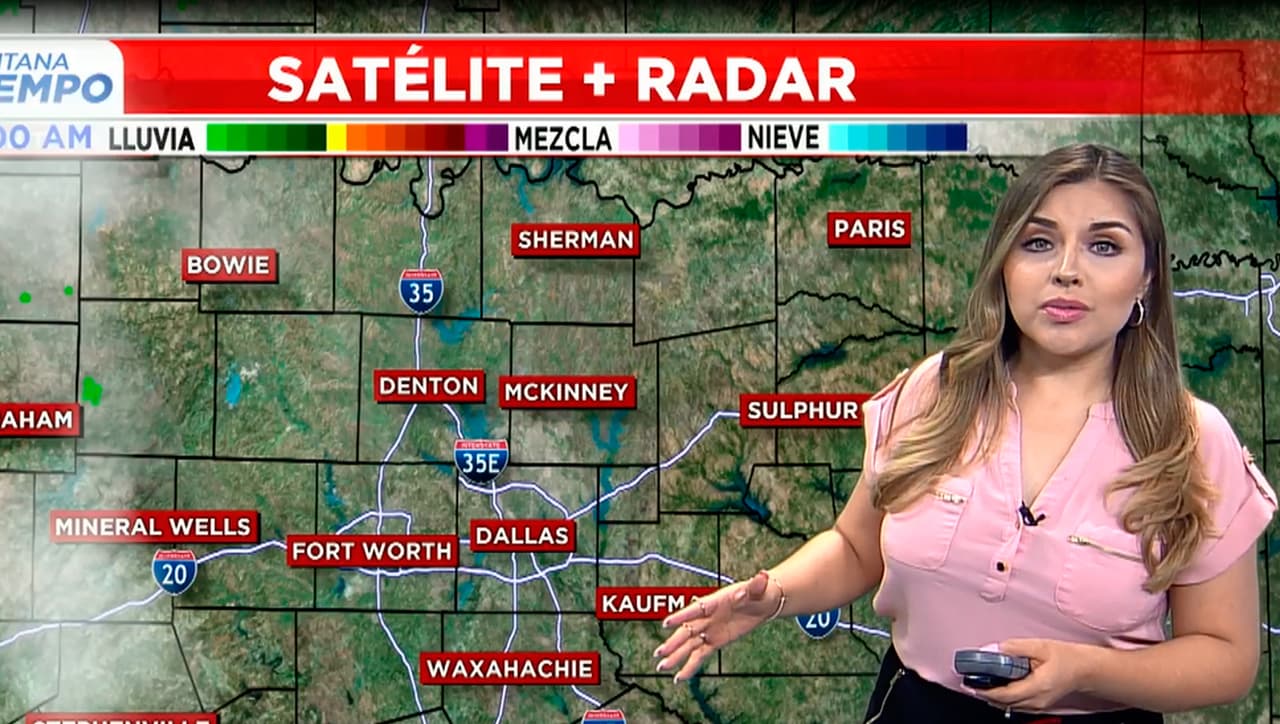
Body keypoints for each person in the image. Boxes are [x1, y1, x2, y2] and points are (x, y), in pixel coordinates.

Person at [654, 143, 1277, 723]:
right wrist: (776, 595)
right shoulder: (936, 391)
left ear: (1146, 278)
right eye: (1039, 243)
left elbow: (1225, 657)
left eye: (1104, 247)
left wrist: (1088, 671)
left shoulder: (1191, 441)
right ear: (1005, 265)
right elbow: (855, 548)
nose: (1066, 271)